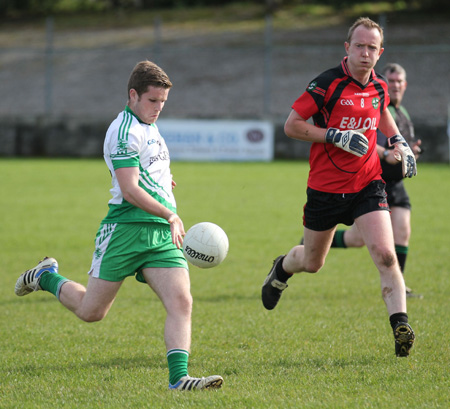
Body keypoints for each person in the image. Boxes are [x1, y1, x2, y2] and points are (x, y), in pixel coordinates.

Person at [15, 60, 223, 391]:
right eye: (152, 101)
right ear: (133, 95)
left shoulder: (149, 126)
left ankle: (178, 379)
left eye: (163, 103)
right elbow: (128, 189)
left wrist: (165, 183)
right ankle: (45, 276)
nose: (158, 109)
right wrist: (170, 213)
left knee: (182, 301)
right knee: (90, 312)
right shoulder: (123, 131)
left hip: (159, 235)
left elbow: (146, 173)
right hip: (125, 230)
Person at [261, 18, 417, 357]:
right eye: (359, 46)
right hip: (325, 188)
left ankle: (400, 326)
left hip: (367, 184)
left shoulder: (378, 85)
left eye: (371, 48)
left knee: (386, 255)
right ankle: (281, 268)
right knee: (313, 262)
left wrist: (399, 143)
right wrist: (333, 134)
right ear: (347, 48)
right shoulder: (326, 84)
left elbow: (382, 114)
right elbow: (292, 125)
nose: (365, 53)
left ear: (380, 52)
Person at [329, 63, 422, 298]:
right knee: (360, 239)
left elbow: (401, 143)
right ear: (385, 84)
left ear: (405, 85)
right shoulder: (376, 106)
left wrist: (412, 151)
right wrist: (386, 154)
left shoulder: (403, 113)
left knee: (402, 230)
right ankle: (324, 241)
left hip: (396, 183)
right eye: (391, 81)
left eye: (399, 81)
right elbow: (368, 140)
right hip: (375, 179)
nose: (396, 86)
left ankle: (398, 287)